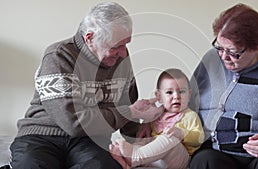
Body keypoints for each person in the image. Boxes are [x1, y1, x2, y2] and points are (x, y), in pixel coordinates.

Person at [9, 2, 163, 169]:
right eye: (116, 46)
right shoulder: (58, 57)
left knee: (103, 166)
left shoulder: (122, 59)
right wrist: (130, 112)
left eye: (126, 44)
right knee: (31, 165)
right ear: (90, 38)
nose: (123, 53)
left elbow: (127, 104)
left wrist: (140, 133)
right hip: (42, 136)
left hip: (91, 139)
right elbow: (74, 123)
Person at [189, 3, 258, 169]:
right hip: (216, 151)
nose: (224, 57)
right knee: (204, 161)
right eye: (220, 47)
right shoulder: (211, 60)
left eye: (233, 52)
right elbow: (185, 102)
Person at [110, 68, 204, 169]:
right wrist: (145, 122)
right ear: (159, 96)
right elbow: (146, 136)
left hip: (178, 160)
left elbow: (199, 139)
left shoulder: (190, 116)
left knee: (170, 137)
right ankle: (128, 163)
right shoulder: (156, 115)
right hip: (155, 161)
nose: (176, 96)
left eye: (181, 91)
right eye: (169, 92)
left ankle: (135, 157)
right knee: (143, 142)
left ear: (189, 95)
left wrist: (182, 133)